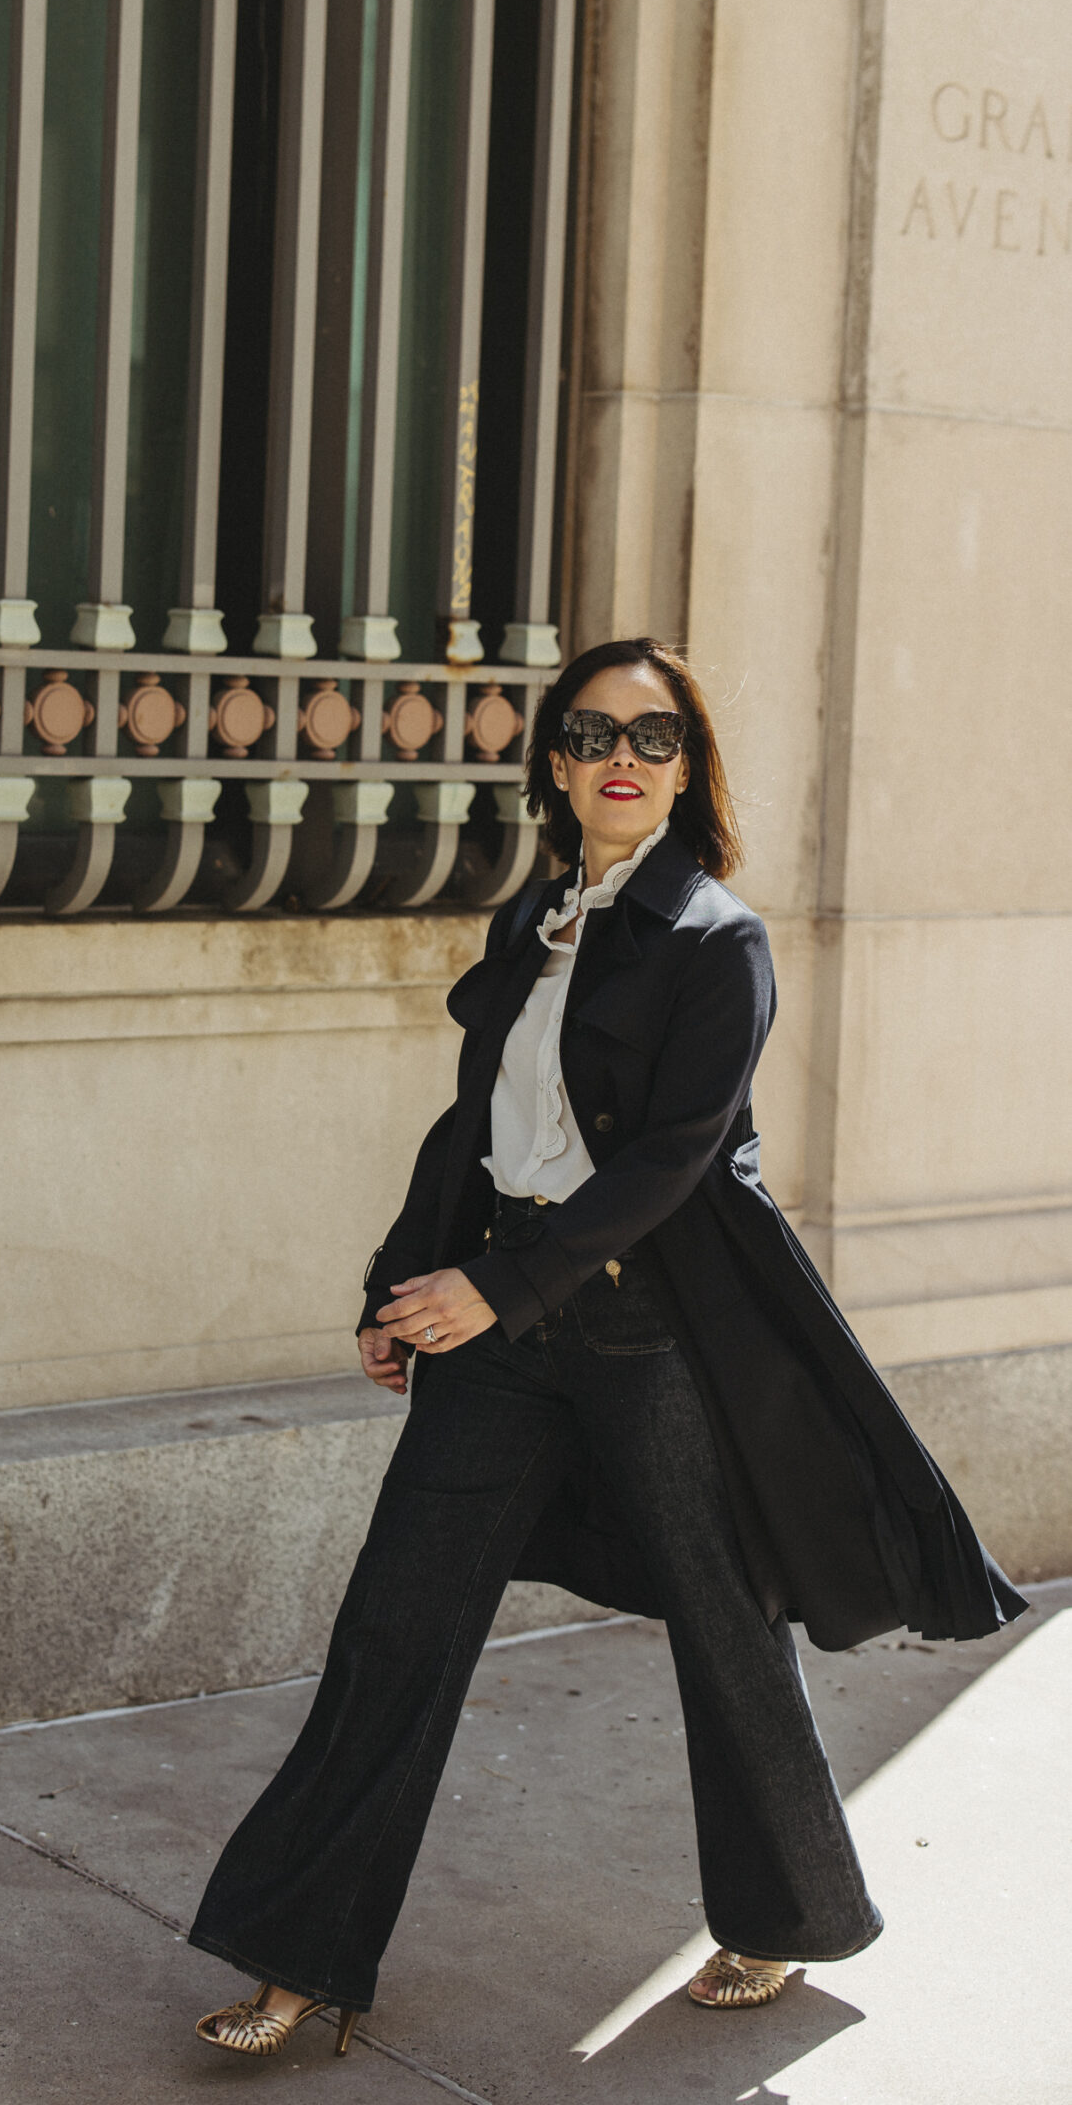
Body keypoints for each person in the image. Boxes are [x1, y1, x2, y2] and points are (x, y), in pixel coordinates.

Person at [188, 637, 1026, 2060]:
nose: (620, 760)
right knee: (396, 1622)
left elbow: (675, 1163)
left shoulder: (717, 940)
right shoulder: (538, 920)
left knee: (725, 1628)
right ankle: (299, 1955)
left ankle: (793, 1919)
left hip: (650, 1329)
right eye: (591, 735)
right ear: (554, 766)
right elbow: (476, 1129)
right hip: (507, 1334)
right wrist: (403, 1289)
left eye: (653, 738)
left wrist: (494, 1289)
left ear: (688, 768)